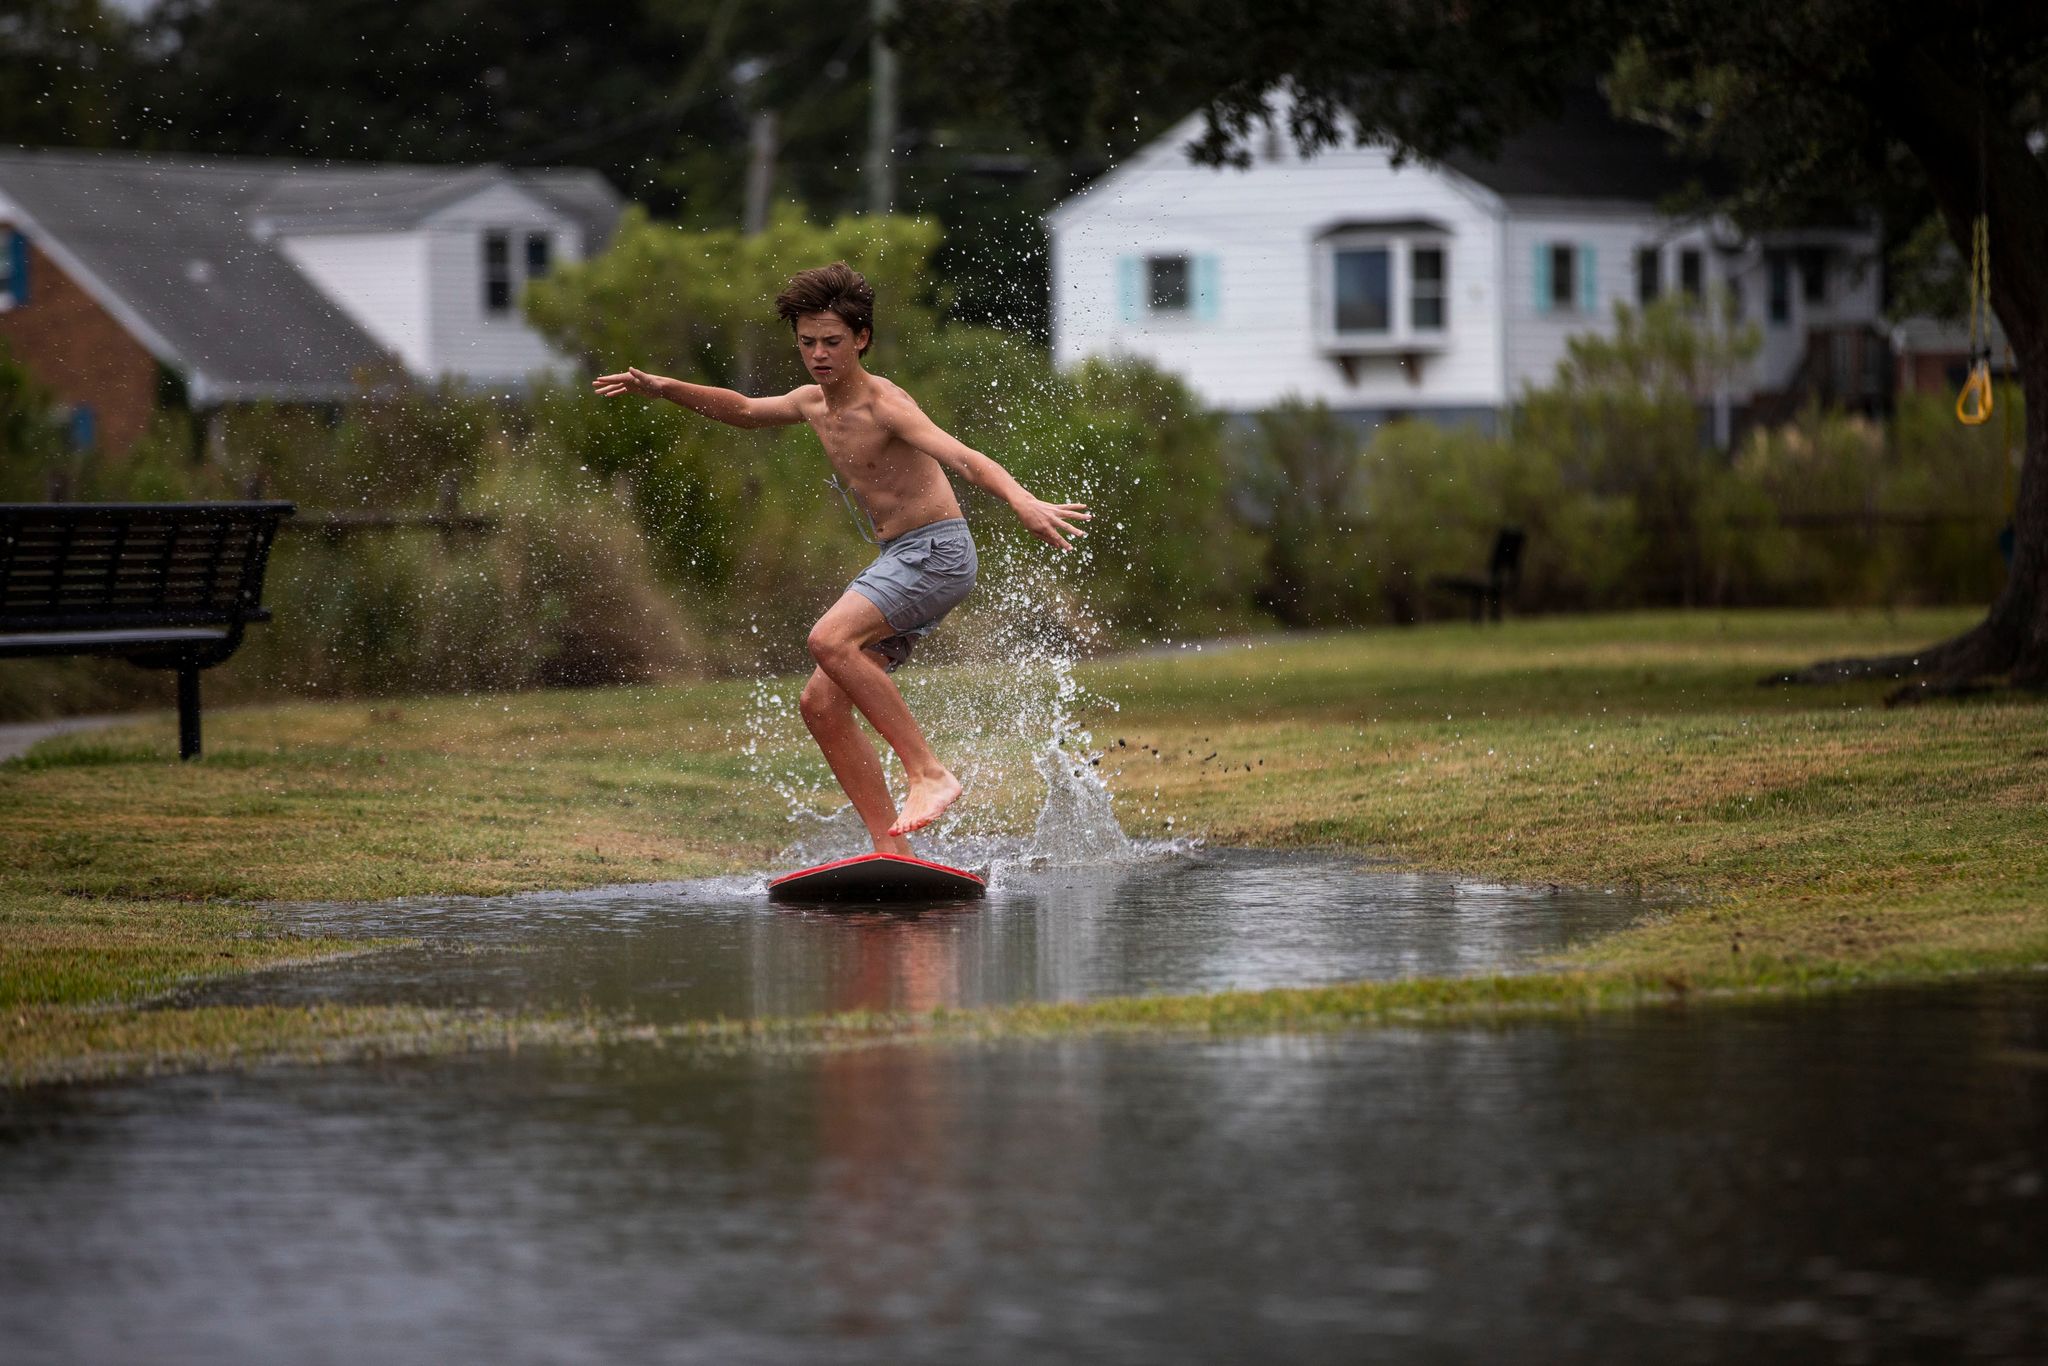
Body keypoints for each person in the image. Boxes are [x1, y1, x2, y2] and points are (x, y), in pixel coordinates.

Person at [593, 262, 1089, 853]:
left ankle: (929, 773)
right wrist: (666, 388)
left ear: (862, 339)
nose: (819, 355)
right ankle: (893, 850)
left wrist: (1020, 499)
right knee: (821, 704)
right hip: (902, 557)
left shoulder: (886, 406)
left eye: (832, 342)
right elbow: (746, 411)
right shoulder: (811, 403)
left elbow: (964, 457)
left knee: (829, 640)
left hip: (938, 552)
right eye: (808, 343)